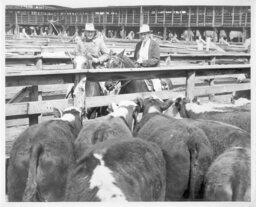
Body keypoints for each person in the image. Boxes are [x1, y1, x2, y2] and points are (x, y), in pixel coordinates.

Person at [75, 23, 110, 94]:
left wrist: (98, 60)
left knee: (104, 86)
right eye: (88, 32)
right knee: (71, 86)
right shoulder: (80, 42)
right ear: (85, 32)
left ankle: (107, 101)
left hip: (96, 68)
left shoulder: (99, 41)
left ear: (94, 32)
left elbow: (107, 54)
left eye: (91, 32)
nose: (90, 34)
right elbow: (76, 54)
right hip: (82, 69)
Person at [134, 24, 162, 91]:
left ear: (149, 34)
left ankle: (159, 97)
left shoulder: (154, 44)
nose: (143, 36)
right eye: (141, 34)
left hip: (151, 70)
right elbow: (135, 58)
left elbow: (156, 59)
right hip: (138, 70)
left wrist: (143, 62)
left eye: (145, 34)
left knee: (156, 84)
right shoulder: (138, 45)